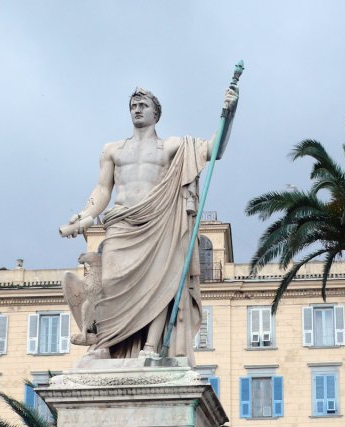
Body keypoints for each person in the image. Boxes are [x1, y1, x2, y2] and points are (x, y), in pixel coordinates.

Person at [59, 86, 238, 362]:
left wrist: (228, 113)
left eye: (143, 105)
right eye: (133, 105)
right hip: (121, 223)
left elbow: (214, 150)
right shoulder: (112, 150)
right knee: (109, 283)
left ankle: (151, 348)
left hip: (158, 223)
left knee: (160, 284)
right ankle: (104, 344)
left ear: (156, 113)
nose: (137, 109)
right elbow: (103, 189)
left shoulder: (172, 146)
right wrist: (87, 213)